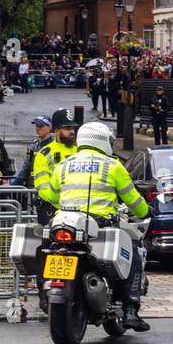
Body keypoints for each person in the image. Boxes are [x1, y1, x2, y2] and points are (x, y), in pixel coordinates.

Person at [53, 121, 151, 332]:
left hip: (65, 222)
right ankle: (130, 310)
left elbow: (52, 194)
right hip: (100, 222)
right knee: (132, 250)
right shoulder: (112, 165)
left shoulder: (64, 164)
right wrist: (146, 212)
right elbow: (132, 199)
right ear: (102, 141)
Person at [33, 108, 81, 221]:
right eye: (67, 128)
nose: (72, 132)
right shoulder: (44, 154)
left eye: (73, 128)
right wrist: (63, 205)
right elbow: (43, 188)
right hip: (52, 210)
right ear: (56, 130)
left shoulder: (80, 151)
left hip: (78, 209)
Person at [11, 116, 54, 188]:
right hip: (32, 187)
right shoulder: (32, 146)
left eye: (41, 126)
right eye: (37, 126)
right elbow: (25, 168)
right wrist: (13, 185)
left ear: (49, 127)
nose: (38, 129)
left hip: (49, 187)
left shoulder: (55, 146)